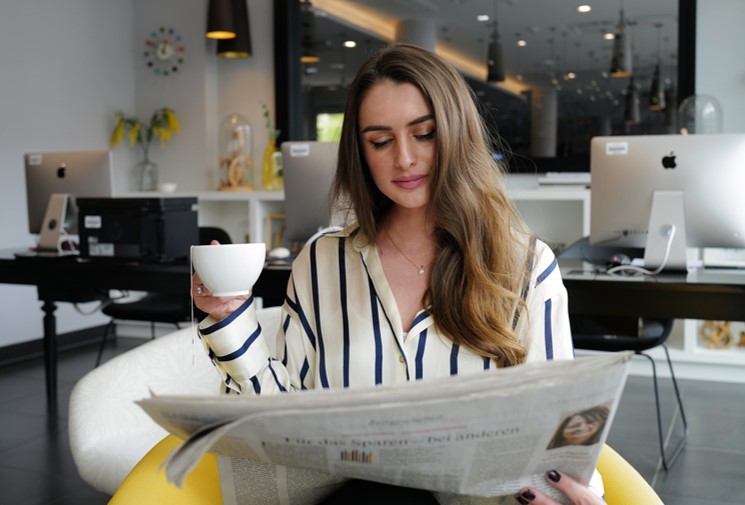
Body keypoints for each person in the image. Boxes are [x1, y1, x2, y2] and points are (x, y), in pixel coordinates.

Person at [193, 43, 603, 505]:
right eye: (381, 141)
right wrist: (229, 321)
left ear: (455, 134)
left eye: (424, 134)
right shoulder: (321, 262)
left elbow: (561, 439)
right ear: (361, 152)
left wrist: (570, 492)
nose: (404, 159)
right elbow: (278, 421)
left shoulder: (526, 266)